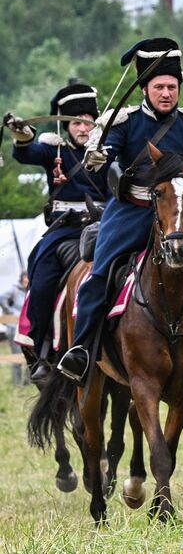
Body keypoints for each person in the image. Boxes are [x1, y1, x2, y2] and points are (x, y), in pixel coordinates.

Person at [56, 39, 183, 392]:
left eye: (172, 87)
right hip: (132, 211)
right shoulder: (124, 123)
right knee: (99, 277)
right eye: (159, 87)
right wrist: (98, 159)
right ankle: (81, 350)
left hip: (181, 216)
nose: (166, 93)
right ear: (145, 88)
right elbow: (105, 158)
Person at [4, 82, 110, 381]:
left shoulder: (109, 149)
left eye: (87, 121)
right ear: (66, 126)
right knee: (41, 283)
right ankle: (42, 351)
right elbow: (26, 153)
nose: (83, 128)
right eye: (76, 123)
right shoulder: (54, 150)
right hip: (64, 232)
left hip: (105, 230)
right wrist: (23, 137)